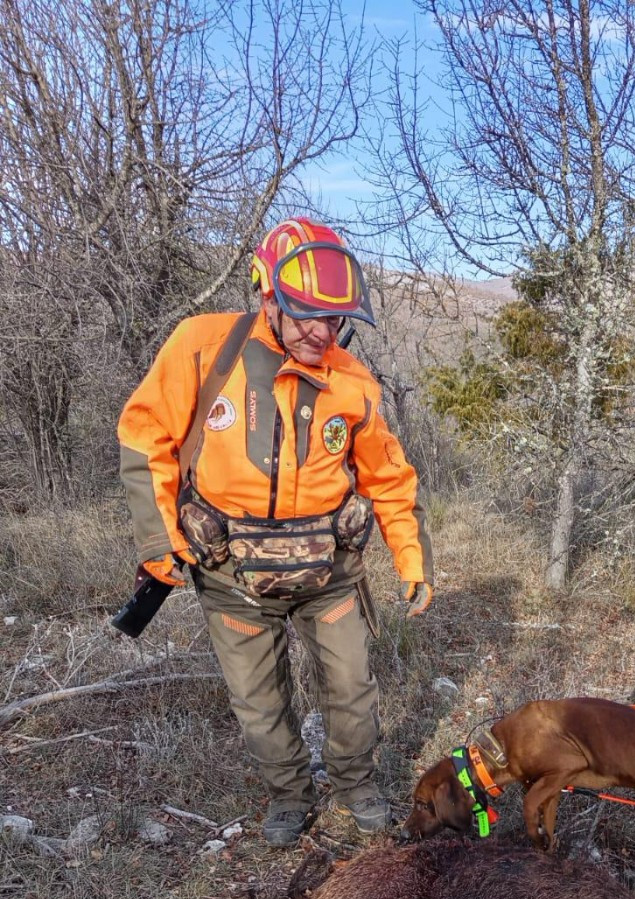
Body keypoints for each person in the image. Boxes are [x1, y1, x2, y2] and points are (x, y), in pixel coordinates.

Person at [118, 218, 433, 846]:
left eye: (335, 318)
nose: (323, 331)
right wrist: (159, 544)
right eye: (307, 315)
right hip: (232, 573)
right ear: (269, 297)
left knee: (351, 689)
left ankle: (357, 785)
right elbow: (144, 436)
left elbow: (388, 478)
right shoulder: (204, 347)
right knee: (260, 705)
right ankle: (290, 794)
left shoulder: (353, 381)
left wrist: (410, 558)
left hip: (330, 571)